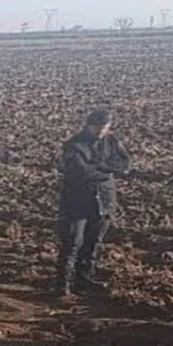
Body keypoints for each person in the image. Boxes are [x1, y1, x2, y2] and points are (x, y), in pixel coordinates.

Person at [57, 110, 131, 296]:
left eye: (104, 127)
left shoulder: (112, 142)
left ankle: (84, 280)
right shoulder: (74, 145)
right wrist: (106, 171)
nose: (100, 131)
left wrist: (99, 168)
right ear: (88, 125)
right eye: (97, 127)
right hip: (77, 201)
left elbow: (124, 164)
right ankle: (62, 285)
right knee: (73, 241)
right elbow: (80, 172)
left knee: (93, 241)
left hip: (104, 199)